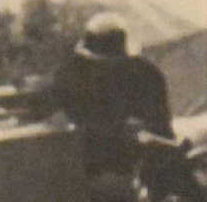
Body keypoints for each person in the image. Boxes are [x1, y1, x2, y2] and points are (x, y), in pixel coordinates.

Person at [50, 13, 175, 181]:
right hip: (118, 171)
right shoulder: (148, 73)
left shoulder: (71, 74)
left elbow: (162, 130)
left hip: (119, 170)